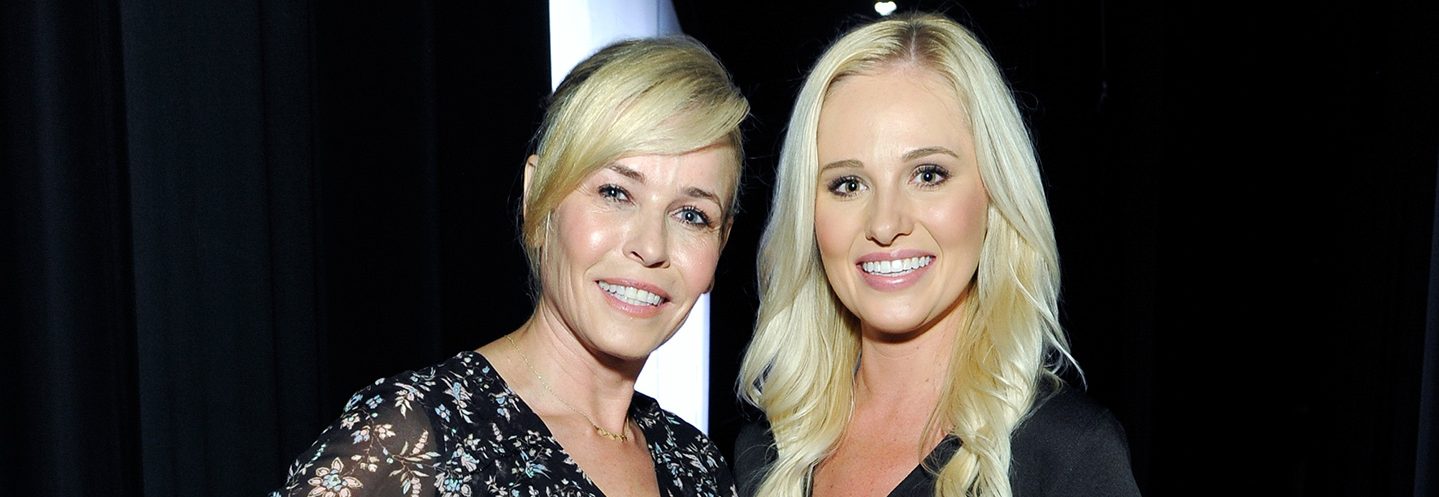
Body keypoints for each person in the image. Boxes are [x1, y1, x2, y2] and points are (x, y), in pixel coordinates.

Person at [273, 36, 748, 497]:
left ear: (720, 244)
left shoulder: (696, 463)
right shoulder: (418, 435)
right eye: (615, 192)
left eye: (692, 215)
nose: (650, 246)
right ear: (538, 199)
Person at [733, 12, 1140, 497]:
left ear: (994, 194)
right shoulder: (766, 452)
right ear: (809, 215)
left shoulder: (1067, 454)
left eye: (928, 175)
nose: (885, 224)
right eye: (848, 183)